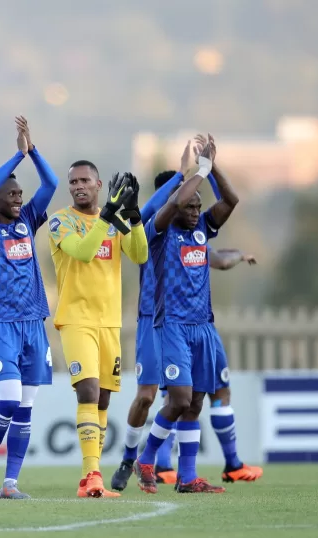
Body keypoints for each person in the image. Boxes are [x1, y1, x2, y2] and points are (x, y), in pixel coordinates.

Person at [130, 135, 237, 494]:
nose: (194, 211)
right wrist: (197, 170)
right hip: (171, 326)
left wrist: (214, 166)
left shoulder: (203, 230)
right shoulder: (157, 233)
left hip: (202, 326)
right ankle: (147, 458)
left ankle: (188, 477)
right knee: (177, 399)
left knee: (194, 405)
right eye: (189, 206)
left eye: (198, 207)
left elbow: (231, 200)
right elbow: (175, 199)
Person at [47, 161, 148, 498]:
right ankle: (91, 475)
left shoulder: (113, 220)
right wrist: (107, 216)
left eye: (85, 180)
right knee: (88, 391)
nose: (78, 186)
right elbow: (84, 252)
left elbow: (139, 254)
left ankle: (91, 475)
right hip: (76, 319)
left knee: (102, 400)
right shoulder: (62, 221)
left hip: (109, 321)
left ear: (98, 183)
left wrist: (133, 216)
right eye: (73, 181)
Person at [0, 116, 58, 499]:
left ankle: (10, 482)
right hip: (1, 324)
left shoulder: (27, 220)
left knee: (25, 406)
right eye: (13, 194)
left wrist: (32, 151)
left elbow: (51, 183)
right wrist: (16, 155)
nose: (19, 198)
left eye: (21, 193)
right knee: (7, 399)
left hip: (34, 324)